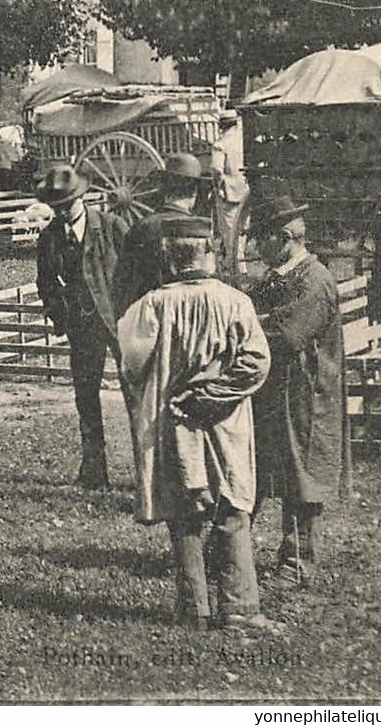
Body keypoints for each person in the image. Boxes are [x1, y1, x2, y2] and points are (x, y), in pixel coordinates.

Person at [117, 216, 272, 631]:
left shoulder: (150, 306)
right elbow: (256, 363)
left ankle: (194, 609)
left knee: (184, 514)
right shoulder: (234, 301)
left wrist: (175, 386)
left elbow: (132, 363)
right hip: (225, 423)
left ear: (168, 258)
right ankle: (239, 609)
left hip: (175, 421)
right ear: (209, 253)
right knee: (232, 509)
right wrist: (214, 393)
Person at [248, 195, 344, 589]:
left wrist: (249, 325)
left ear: (285, 237)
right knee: (264, 467)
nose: (255, 247)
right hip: (278, 391)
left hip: (308, 396)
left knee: (301, 474)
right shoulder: (281, 276)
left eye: (261, 239)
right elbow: (255, 311)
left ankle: (297, 563)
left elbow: (287, 335)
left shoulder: (315, 280)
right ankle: (226, 548)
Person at [35, 164, 128, 488]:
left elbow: (134, 272)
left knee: (135, 394)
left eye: (67, 205)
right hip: (82, 328)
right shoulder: (48, 238)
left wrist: (130, 315)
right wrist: (60, 316)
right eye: (56, 207)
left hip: (118, 323)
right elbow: (44, 282)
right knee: (86, 398)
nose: (62, 212)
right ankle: (94, 471)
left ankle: (148, 471)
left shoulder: (112, 227)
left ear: (82, 198)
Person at [114, 152, 210, 317]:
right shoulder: (201, 231)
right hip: (192, 319)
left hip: (149, 320)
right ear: (194, 193)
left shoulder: (140, 229)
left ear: (165, 189)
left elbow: (122, 286)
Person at [212, 114, 250, 276]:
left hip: (229, 193)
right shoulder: (244, 141)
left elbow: (216, 169)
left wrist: (217, 186)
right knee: (242, 231)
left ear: (222, 126)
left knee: (229, 233)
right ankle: (240, 266)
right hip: (246, 191)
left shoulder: (220, 144)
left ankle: (234, 269)